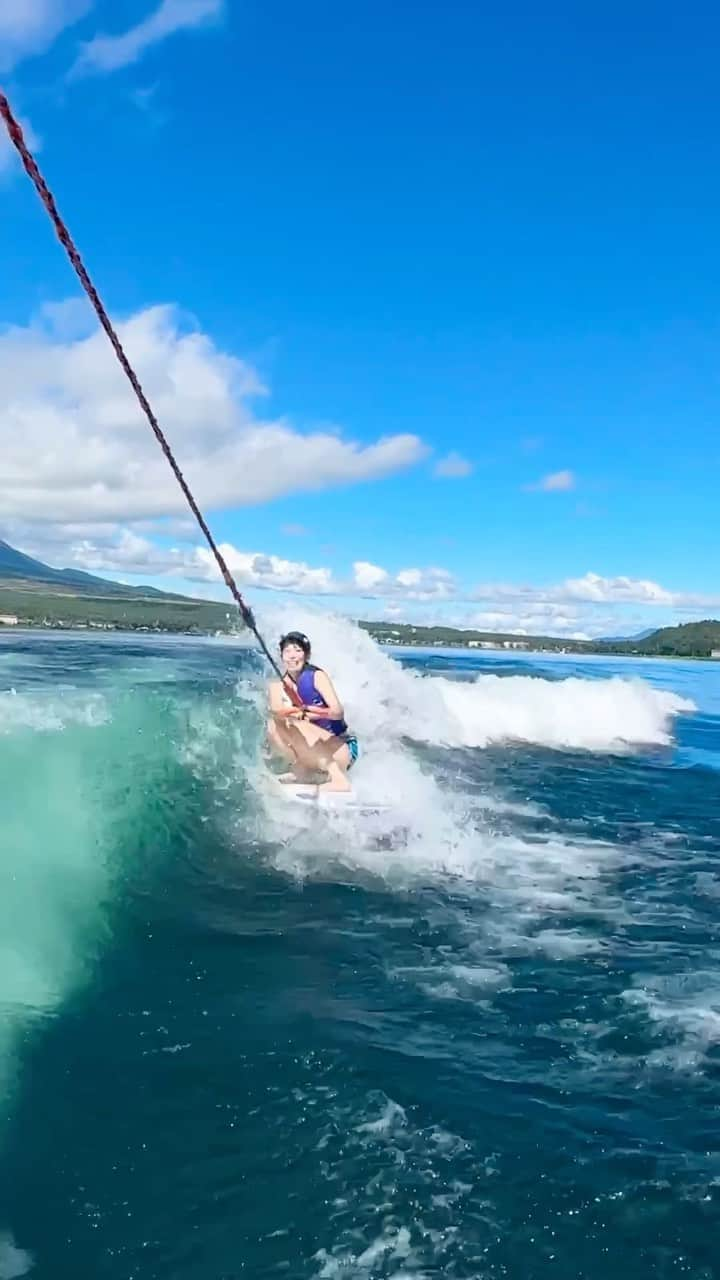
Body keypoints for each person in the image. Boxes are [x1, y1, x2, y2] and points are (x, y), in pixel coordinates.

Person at [267, 631, 359, 792]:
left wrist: (310, 711)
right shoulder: (277, 685)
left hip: (340, 750)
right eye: (287, 651)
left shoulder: (317, 676)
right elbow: (277, 713)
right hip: (314, 752)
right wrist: (293, 712)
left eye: (298, 650)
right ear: (281, 656)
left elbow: (337, 712)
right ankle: (303, 769)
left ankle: (339, 780)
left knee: (299, 724)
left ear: (307, 655)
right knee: (273, 725)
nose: (292, 656)